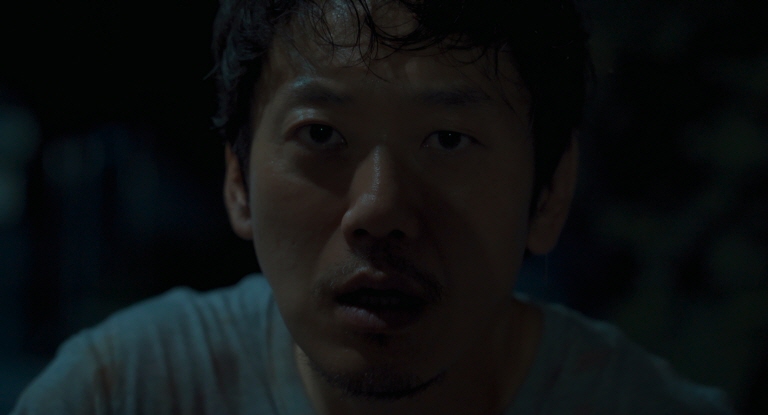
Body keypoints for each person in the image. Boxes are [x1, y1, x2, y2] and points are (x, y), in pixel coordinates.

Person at [12, 0, 736, 414]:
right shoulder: (119, 391)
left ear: (549, 191)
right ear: (238, 180)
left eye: (448, 140)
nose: (380, 208)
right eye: (321, 135)